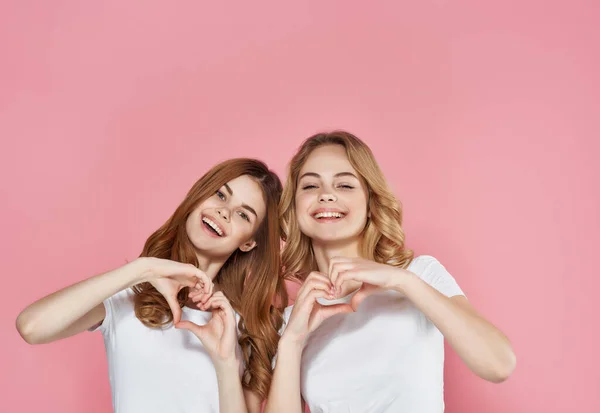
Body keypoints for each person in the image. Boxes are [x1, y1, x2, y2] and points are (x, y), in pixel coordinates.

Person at [265, 131, 516, 413]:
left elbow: (499, 364)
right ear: (294, 206)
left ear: (371, 202)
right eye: (310, 186)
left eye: (345, 185)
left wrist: (400, 280)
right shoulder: (293, 320)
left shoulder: (419, 274)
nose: (326, 195)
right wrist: (291, 341)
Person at [16, 158, 288, 413]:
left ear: (249, 242)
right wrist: (143, 269)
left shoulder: (248, 327)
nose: (224, 212)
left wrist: (227, 363)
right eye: (220, 195)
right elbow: (32, 326)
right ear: (199, 195)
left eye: (243, 214)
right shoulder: (128, 296)